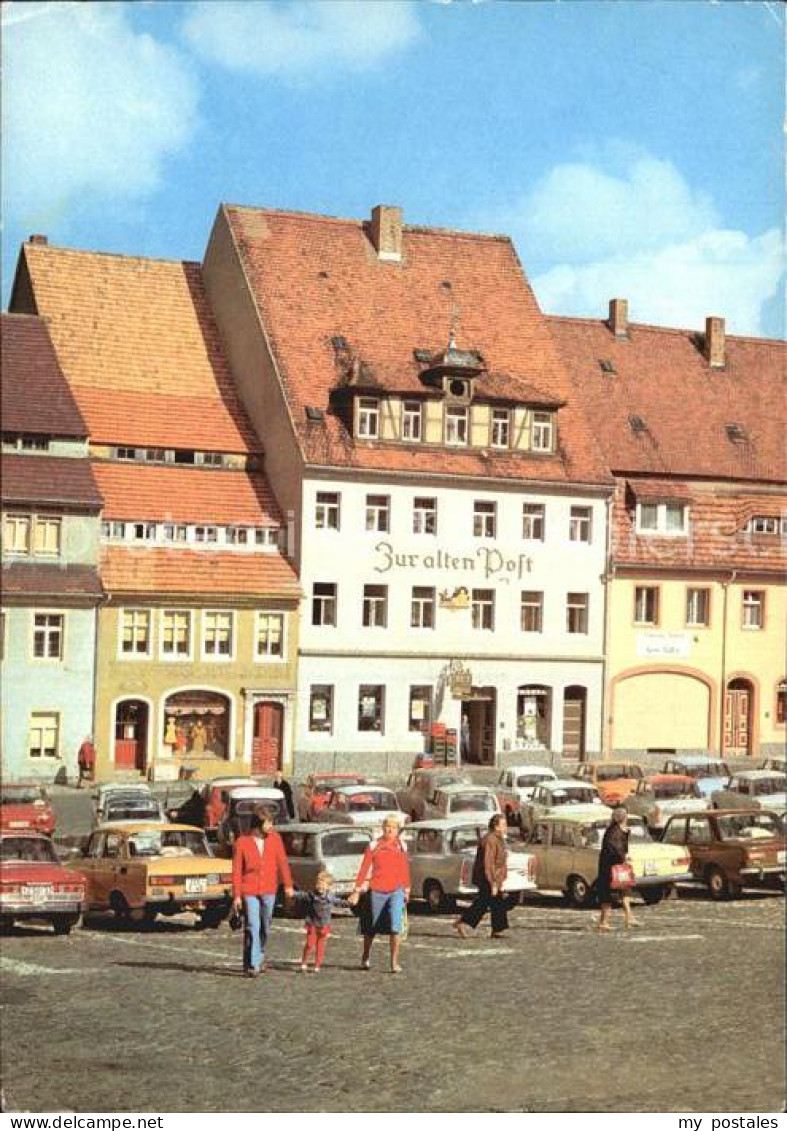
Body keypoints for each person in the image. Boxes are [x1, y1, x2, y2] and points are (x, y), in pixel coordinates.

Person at [231, 810, 294, 976]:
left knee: (265, 925)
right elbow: (237, 870)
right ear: (258, 825)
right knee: (252, 925)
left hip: (269, 889)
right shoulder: (242, 842)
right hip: (249, 889)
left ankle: (259, 954)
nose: (271, 826)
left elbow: (282, 863)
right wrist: (236, 895)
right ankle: (253, 964)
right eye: (268, 823)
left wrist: (288, 885)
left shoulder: (275, 839)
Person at [348, 816, 410, 974]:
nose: (390, 830)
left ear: (398, 830)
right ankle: (366, 954)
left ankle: (394, 962)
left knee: (396, 927)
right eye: (388, 826)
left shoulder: (402, 846)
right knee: (371, 926)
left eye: (394, 827)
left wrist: (407, 889)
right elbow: (364, 869)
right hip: (377, 889)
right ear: (383, 828)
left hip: (396, 890)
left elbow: (404, 869)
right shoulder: (374, 845)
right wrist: (356, 890)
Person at [455, 813, 510, 939]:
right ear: (496, 826)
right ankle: (463, 922)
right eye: (503, 825)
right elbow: (488, 863)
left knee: (497, 902)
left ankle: (497, 929)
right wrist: (493, 883)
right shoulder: (490, 840)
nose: (506, 827)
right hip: (487, 878)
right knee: (483, 903)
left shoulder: (499, 839)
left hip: (495, 877)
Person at [292, 870, 344, 973]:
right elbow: (302, 895)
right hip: (312, 923)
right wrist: (293, 893)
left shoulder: (330, 897)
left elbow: (339, 902)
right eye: (318, 884)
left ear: (328, 887)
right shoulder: (311, 895)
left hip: (324, 924)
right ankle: (304, 962)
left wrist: (350, 902)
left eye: (323, 884)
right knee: (310, 944)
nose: (320, 887)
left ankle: (317, 965)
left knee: (320, 946)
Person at [596, 806, 638, 932]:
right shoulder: (613, 832)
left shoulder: (620, 831)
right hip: (610, 869)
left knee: (626, 890)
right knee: (607, 896)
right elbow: (614, 849)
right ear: (623, 818)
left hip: (618, 868)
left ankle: (629, 917)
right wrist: (622, 858)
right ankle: (603, 922)